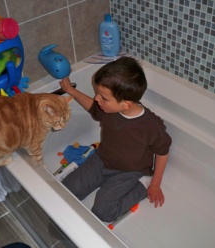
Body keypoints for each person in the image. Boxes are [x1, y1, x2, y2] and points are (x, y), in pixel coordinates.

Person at [59, 57, 172, 222]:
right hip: (101, 160)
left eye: (104, 98)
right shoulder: (109, 109)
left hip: (128, 172)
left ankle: (141, 186)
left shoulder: (150, 125)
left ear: (126, 104)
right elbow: (92, 107)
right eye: (98, 94)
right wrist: (72, 91)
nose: (98, 99)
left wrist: (155, 183)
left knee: (103, 212)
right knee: (66, 190)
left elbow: (163, 152)